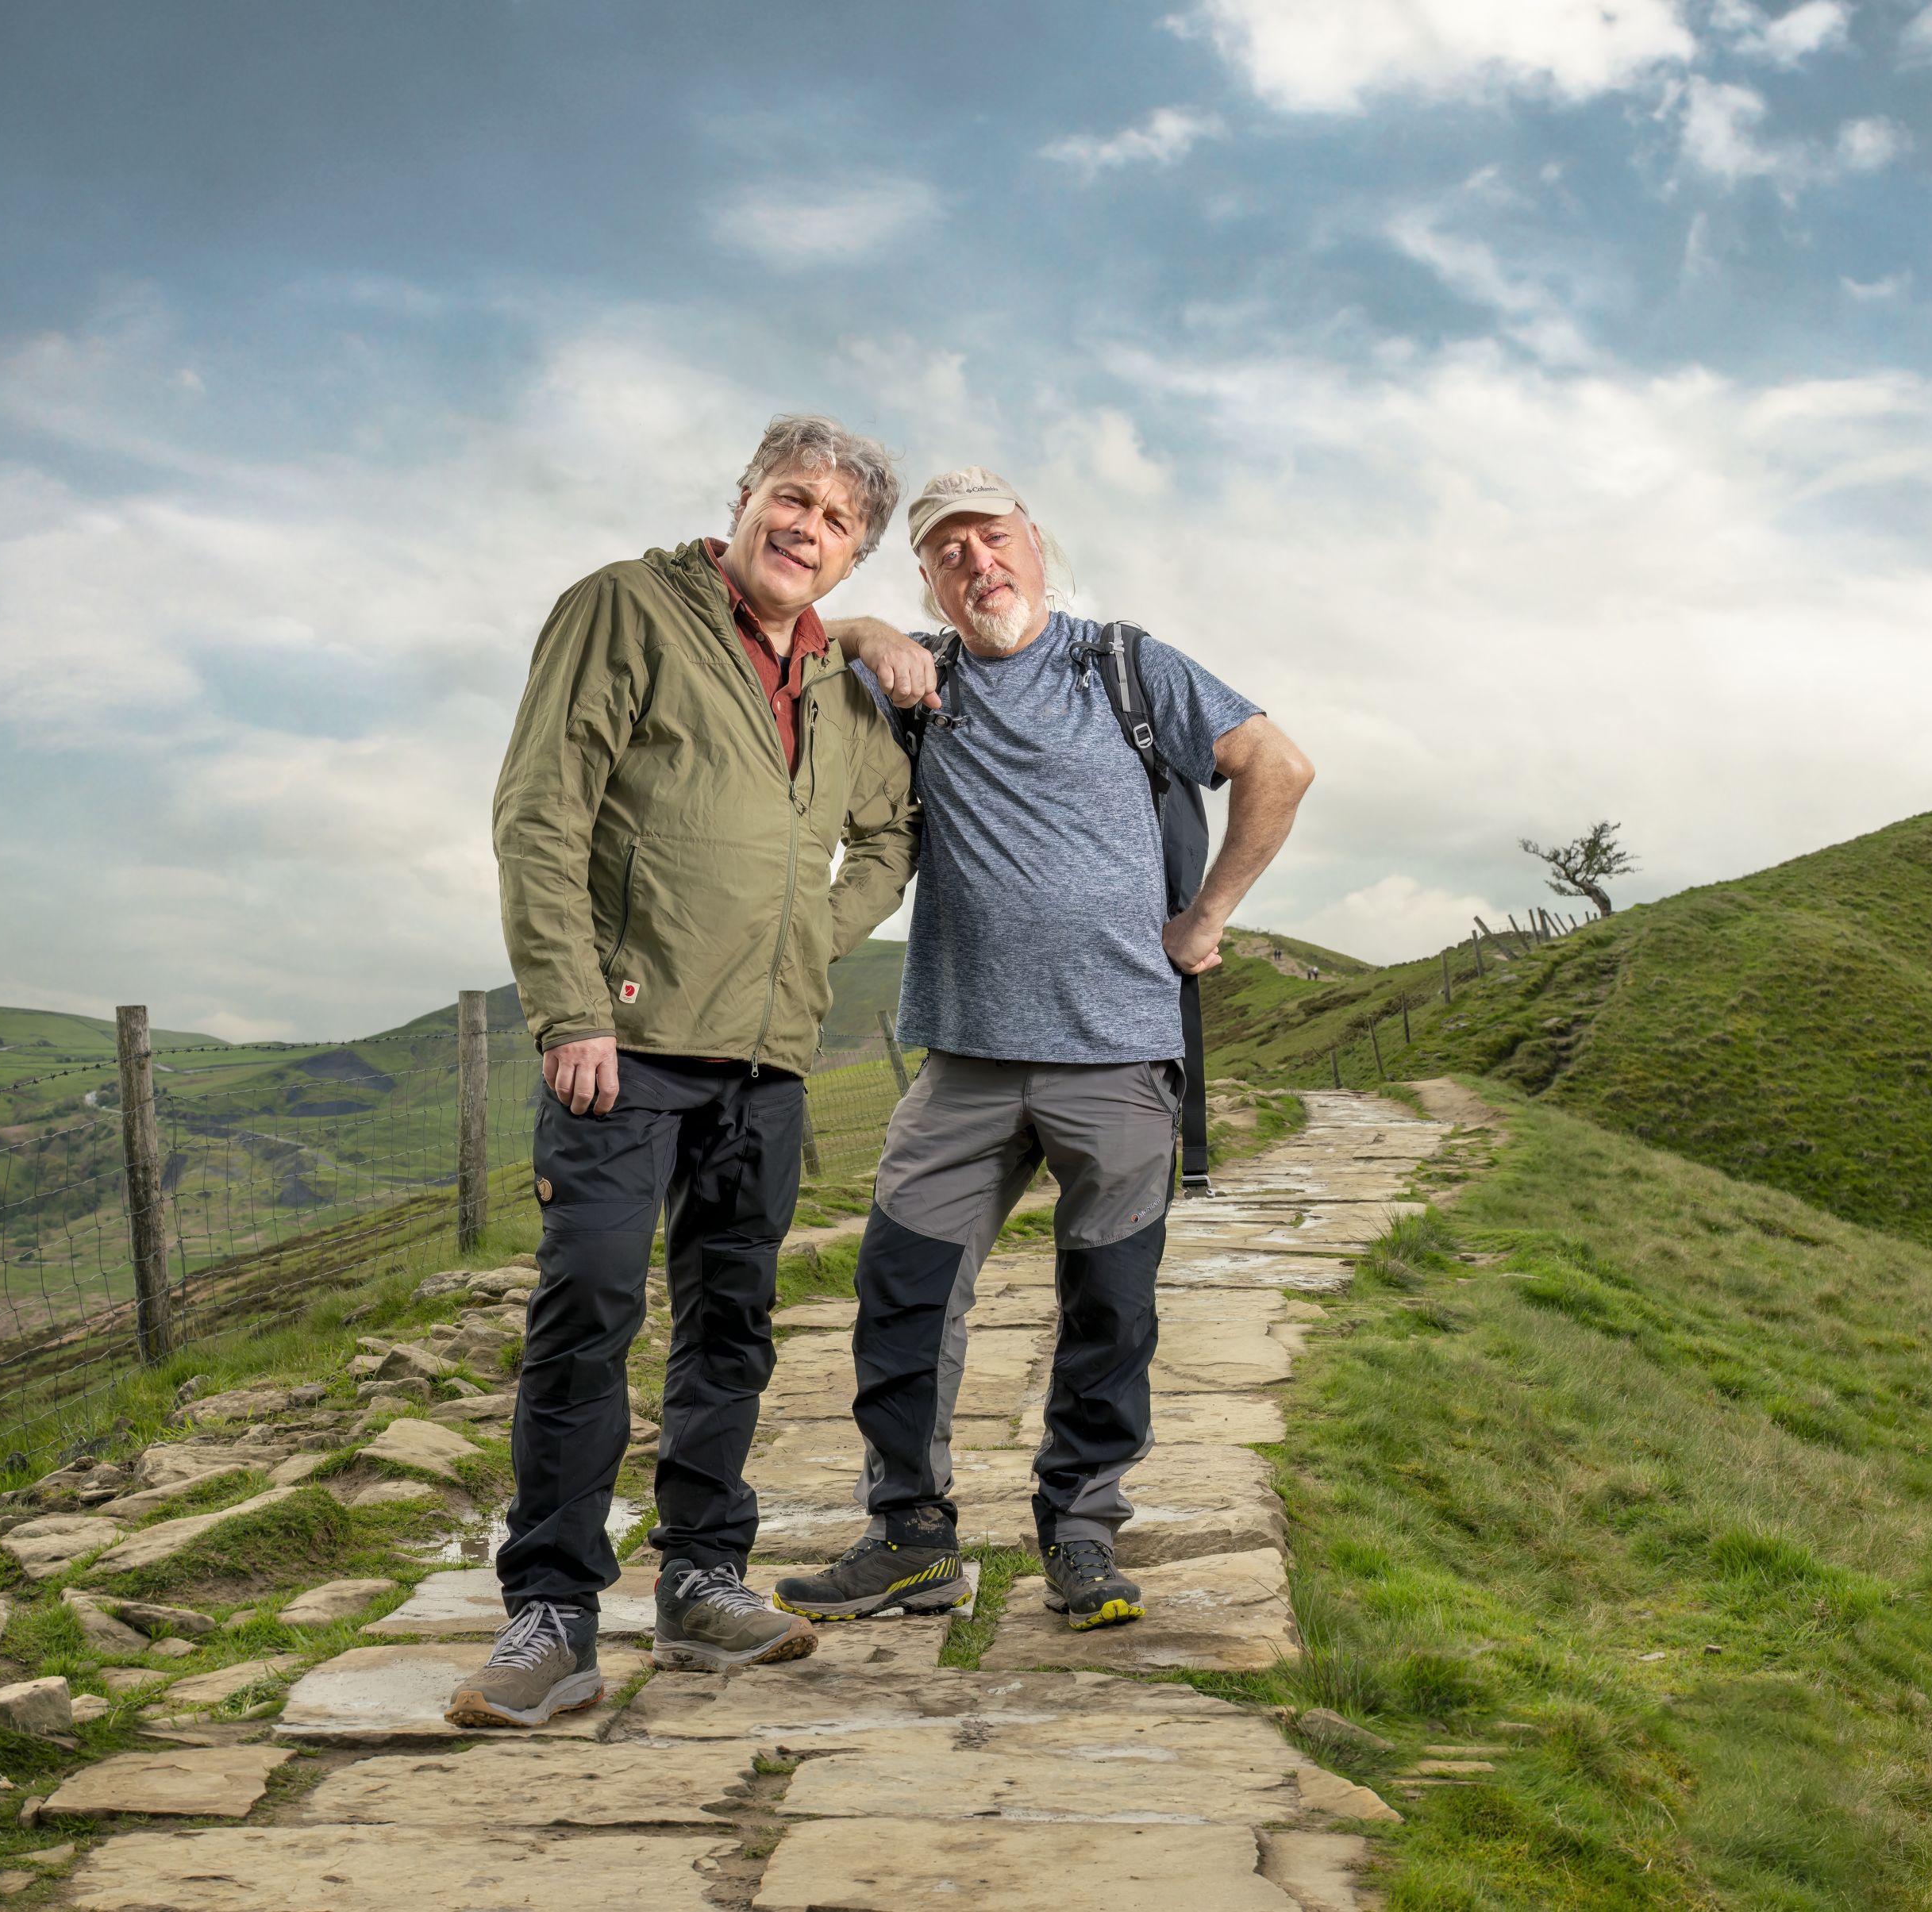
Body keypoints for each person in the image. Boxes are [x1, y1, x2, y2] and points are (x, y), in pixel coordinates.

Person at [769, 466, 1311, 1632]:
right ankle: (910, 1535)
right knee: (902, 1289)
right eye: (948, 551)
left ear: (1036, 544)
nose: (978, 564)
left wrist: (1207, 917)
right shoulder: (916, 680)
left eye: (993, 537)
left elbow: (1280, 764)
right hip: (963, 1057)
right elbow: (792, 642)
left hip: (1117, 1051)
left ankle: (1079, 1532)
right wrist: (862, 627)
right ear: (927, 577)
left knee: (1109, 1304)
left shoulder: (1126, 666)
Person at [454, 416, 918, 1729]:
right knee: (588, 1310)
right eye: (791, 497)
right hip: (624, 1047)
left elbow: (888, 838)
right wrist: (569, 1006)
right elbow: (540, 808)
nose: (805, 527)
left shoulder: (843, 682)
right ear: (744, 498)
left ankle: (705, 1576)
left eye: (835, 520)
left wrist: (804, 949)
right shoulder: (625, 608)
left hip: (764, 1064)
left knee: (731, 1325)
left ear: (850, 556)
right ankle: (551, 1612)